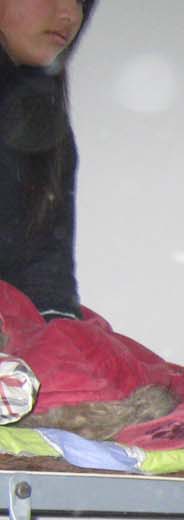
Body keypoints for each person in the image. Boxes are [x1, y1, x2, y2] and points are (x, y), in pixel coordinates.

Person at [1, 0, 90, 319]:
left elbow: (47, 278)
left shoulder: (42, 121)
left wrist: (59, 327)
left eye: (80, 1)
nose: (70, 14)